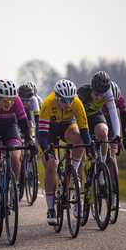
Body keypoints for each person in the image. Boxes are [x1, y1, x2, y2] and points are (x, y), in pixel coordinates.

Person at [0, 79, 37, 222]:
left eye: (11, 100)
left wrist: (29, 141)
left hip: (9, 126)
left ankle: (13, 188)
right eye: (5, 100)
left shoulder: (16, 101)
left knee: (16, 157)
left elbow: (25, 126)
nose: (9, 103)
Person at [38, 79, 92, 225]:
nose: (68, 103)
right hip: (48, 132)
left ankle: (72, 174)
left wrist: (90, 147)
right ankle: (50, 209)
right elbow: (42, 136)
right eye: (64, 100)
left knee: (80, 139)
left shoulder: (77, 103)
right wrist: (46, 150)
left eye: (70, 99)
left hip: (66, 126)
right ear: (56, 97)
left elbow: (84, 130)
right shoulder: (47, 104)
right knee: (50, 166)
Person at [77, 71, 121, 184]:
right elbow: (77, 115)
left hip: (95, 116)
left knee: (103, 133)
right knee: (81, 159)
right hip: (81, 118)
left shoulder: (108, 92)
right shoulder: (83, 92)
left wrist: (117, 134)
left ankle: (102, 166)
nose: (98, 97)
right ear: (91, 87)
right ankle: (77, 194)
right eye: (96, 93)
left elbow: (114, 116)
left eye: (102, 95)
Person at [102, 81, 126, 169]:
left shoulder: (121, 100)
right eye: (112, 101)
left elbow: (124, 121)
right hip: (100, 122)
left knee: (112, 156)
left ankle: (113, 182)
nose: (114, 103)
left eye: (116, 101)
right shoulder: (99, 101)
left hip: (111, 122)